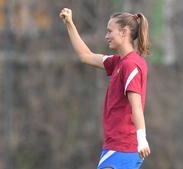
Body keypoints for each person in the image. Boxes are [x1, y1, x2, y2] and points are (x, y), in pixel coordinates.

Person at [59, 8, 151, 169]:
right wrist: (70, 24)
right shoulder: (118, 62)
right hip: (115, 146)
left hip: (124, 146)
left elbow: (136, 107)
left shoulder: (130, 65)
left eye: (110, 31)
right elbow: (85, 56)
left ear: (123, 32)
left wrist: (142, 139)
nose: (106, 36)